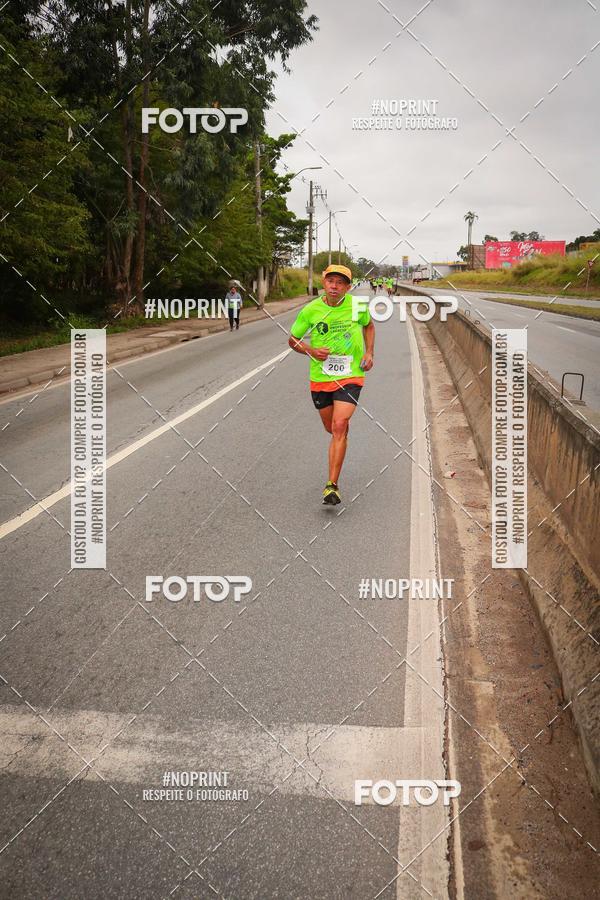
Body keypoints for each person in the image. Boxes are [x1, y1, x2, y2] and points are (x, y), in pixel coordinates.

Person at [288, 264, 375, 505]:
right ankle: (340, 440)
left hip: (351, 374)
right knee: (332, 428)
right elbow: (293, 340)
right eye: (330, 281)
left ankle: (331, 486)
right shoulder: (311, 310)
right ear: (324, 283)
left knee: (339, 424)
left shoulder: (357, 306)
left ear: (348, 287)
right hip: (321, 377)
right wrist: (311, 350)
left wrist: (369, 352)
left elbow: (369, 326)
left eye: (340, 282)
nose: (334, 286)